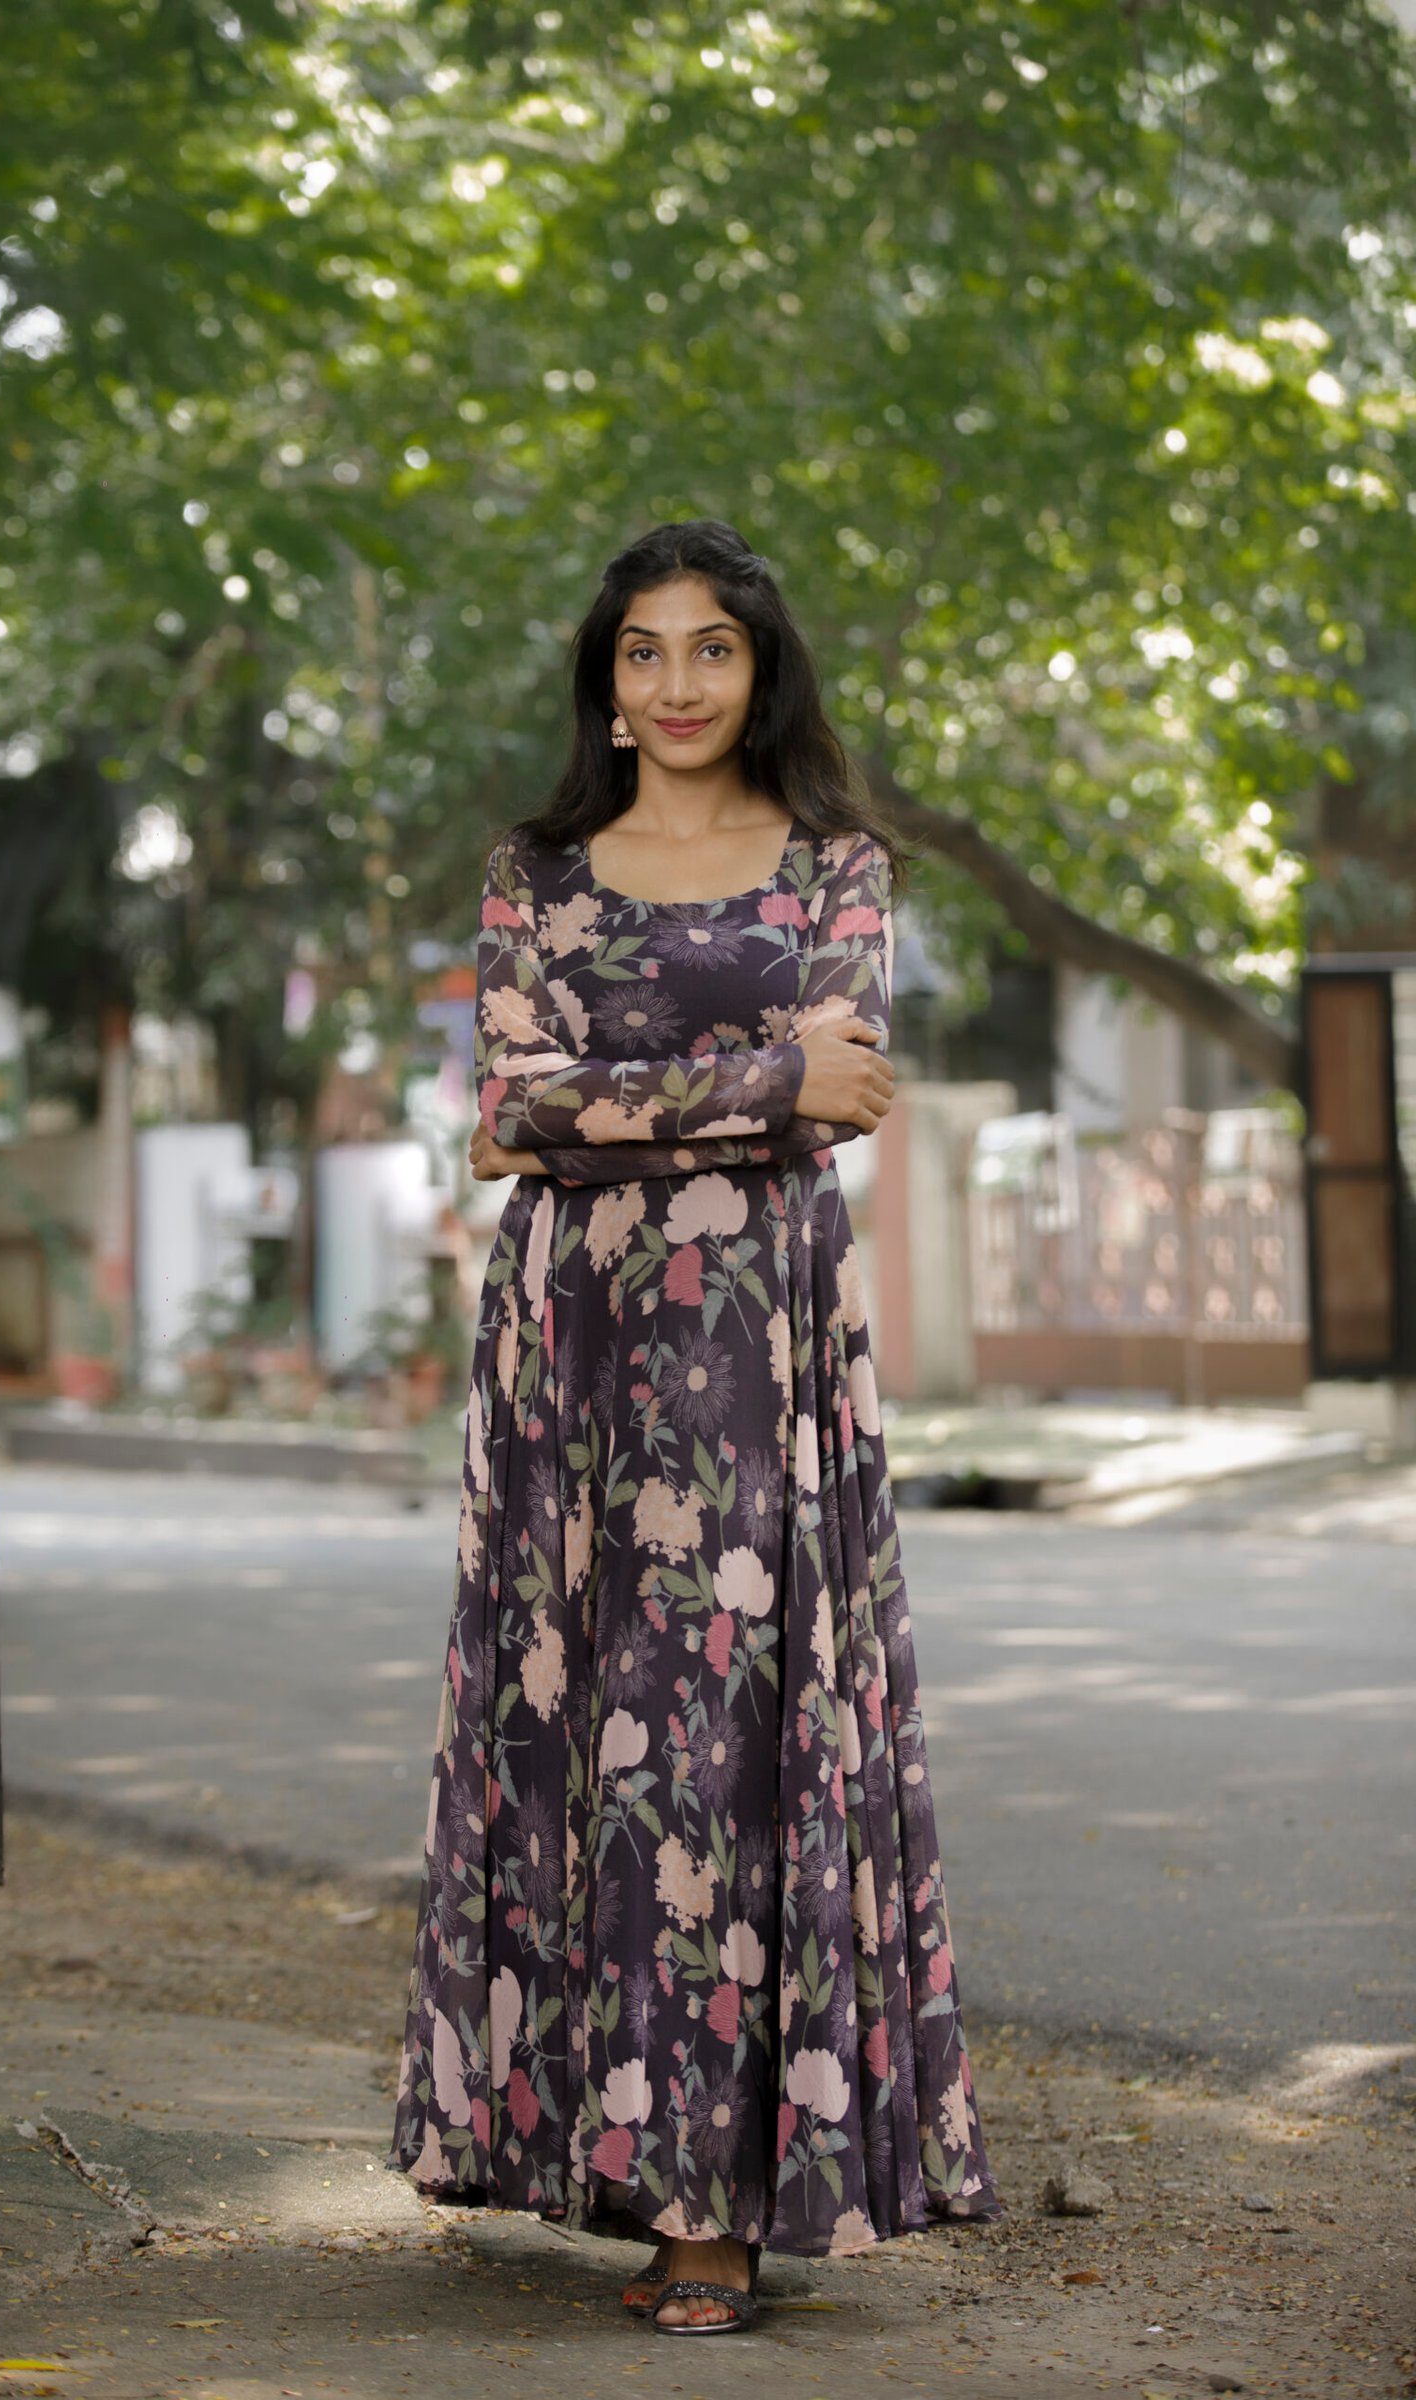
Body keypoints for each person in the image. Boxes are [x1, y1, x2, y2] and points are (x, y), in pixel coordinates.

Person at [388, 518, 1001, 2335]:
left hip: (758, 1357)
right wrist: (751, 1082)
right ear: (605, 677)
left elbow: (848, 1092)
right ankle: (585, 2148)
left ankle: (716, 2206)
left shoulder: (837, 867)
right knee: (581, 1728)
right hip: (568, 1354)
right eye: (642, 653)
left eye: (710, 651)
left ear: (762, 667)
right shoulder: (538, 869)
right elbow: (506, 1115)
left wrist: (612, 1105)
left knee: (721, 1738)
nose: (674, 686)